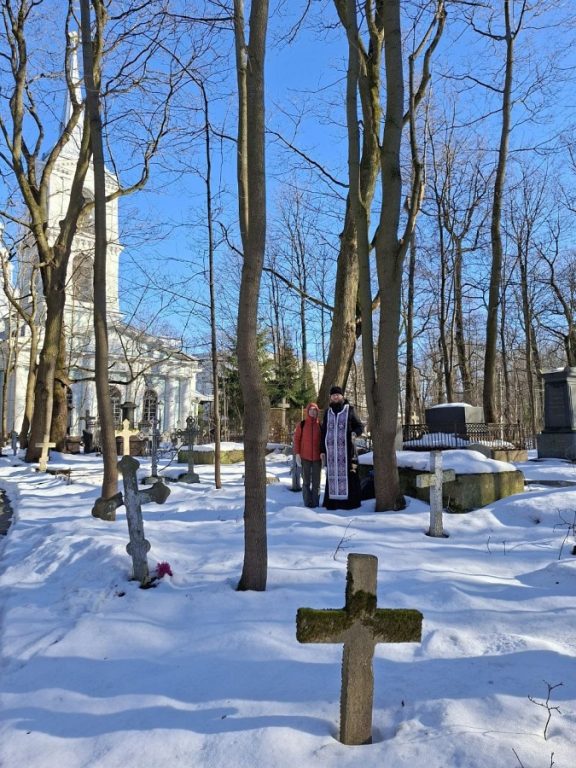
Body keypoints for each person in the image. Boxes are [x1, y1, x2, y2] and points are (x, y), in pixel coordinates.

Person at [320, 385, 364, 510]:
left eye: (337, 395)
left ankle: (349, 503)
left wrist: (355, 433)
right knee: (332, 477)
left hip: (347, 452)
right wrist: (322, 450)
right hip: (332, 453)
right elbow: (324, 432)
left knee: (350, 476)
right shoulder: (328, 412)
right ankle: (332, 503)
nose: (335, 397)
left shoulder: (349, 410)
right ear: (330, 397)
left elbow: (360, 426)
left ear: (342, 396)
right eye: (333, 395)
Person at [293, 402, 322, 508]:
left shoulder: (320, 425)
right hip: (305, 457)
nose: (313, 412)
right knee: (306, 482)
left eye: (315, 410)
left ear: (317, 412)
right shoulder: (302, 424)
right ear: (307, 411)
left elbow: (323, 441)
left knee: (316, 482)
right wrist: (297, 454)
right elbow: (296, 439)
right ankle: (307, 503)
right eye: (311, 410)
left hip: (317, 458)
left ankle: (315, 503)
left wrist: (324, 454)